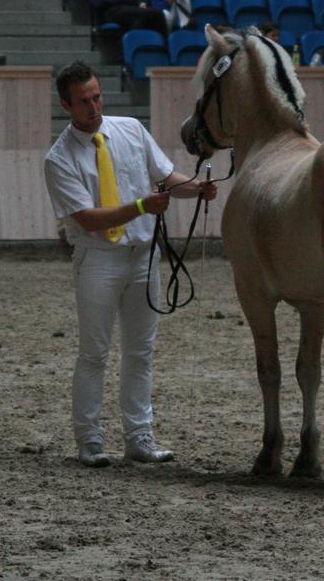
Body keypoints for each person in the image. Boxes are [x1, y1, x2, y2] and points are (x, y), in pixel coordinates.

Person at [43, 61, 217, 468]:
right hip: (99, 259)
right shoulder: (59, 159)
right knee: (95, 352)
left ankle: (139, 435)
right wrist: (142, 205)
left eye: (97, 96)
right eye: (84, 101)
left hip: (143, 256)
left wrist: (197, 189)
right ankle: (89, 439)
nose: (94, 106)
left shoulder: (131, 130)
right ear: (66, 104)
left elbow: (165, 175)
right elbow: (87, 217)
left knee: (141, 351)